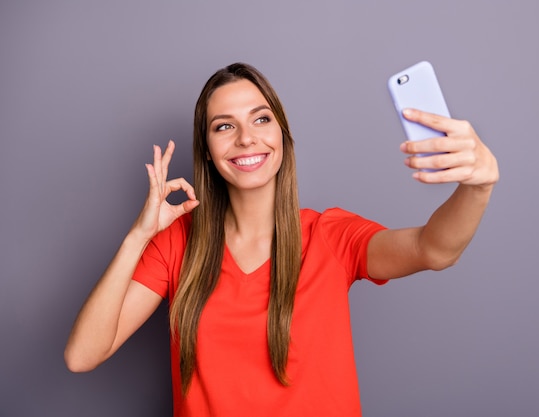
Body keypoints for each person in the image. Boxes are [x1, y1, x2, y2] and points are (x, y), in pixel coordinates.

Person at [64, 62, 499, 416]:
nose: (247, 137)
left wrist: (478, 185)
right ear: (208, 151)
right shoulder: (178, 243)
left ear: (282, 136)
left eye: (260, 118)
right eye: (224, 127)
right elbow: (82, 355)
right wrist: (139, 236)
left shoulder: (328, 235)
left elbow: (434, 249)